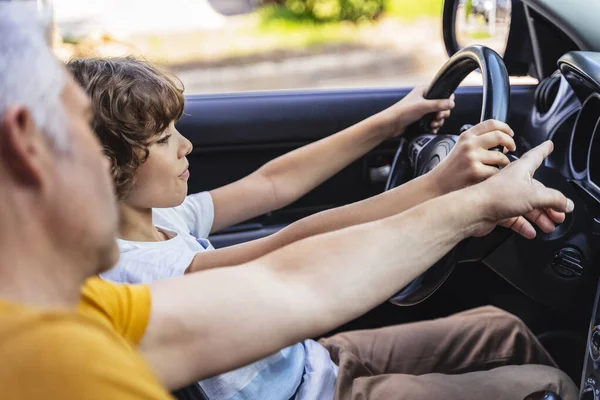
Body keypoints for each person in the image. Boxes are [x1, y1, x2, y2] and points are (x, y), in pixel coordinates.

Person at [0, 5, 578, 400]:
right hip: (311, 391)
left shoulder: (137, 243)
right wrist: (445, 191)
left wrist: (388, 120)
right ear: (29, 143)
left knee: (502, 330)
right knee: (539, 385)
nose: (187, 145)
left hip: (307, 359)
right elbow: (283, 260)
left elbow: (273, 185)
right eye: (71, 124)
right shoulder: (125, 275)